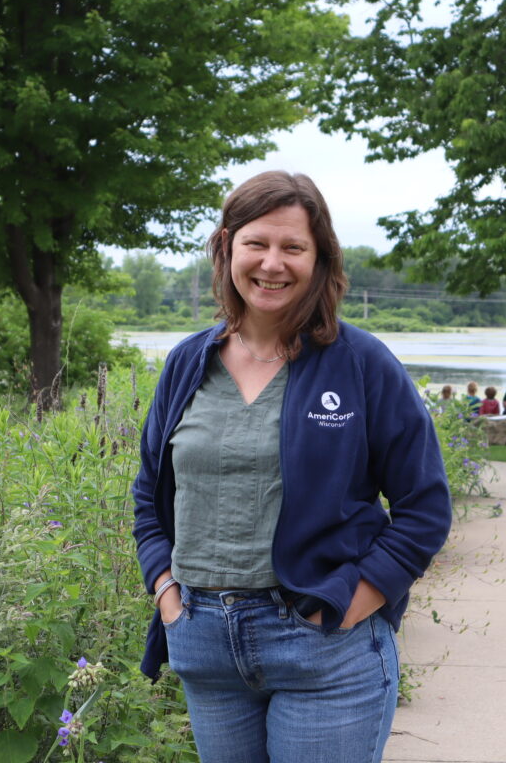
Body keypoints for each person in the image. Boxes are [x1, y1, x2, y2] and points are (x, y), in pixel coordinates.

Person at [131, 171, 452, 763]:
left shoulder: (361, 364)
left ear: (320, 259)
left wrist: (353, 603)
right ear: (227, 246)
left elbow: (424, 509)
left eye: (293, 247)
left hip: (323, 646)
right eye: (257, 243)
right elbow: (149, 497)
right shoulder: (186, 364)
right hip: (205, 642)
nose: (272, 264)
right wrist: (167, 592)